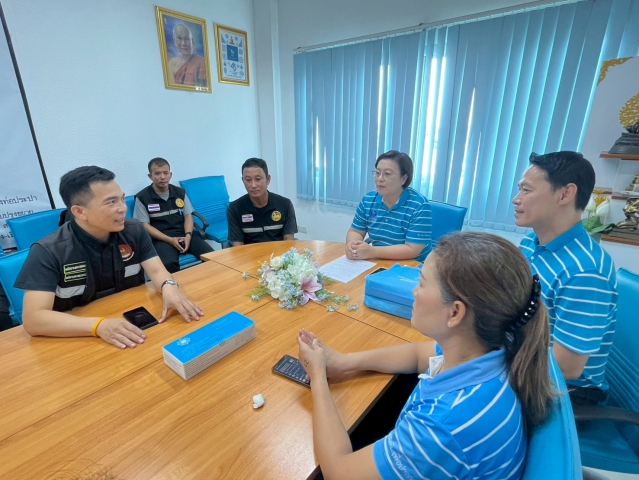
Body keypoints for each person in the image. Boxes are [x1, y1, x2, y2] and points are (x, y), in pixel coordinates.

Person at [297, 232, 552, 479]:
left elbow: (338, 472)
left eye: (421, 283)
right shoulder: (492, 346)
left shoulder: (443, 426)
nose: (414, 292)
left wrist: (317, 376)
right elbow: (418, 354)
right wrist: (343, 362)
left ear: (455, 313)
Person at [14, 166, 203, 349]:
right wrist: (98, 326)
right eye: (111, 202)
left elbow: (157, 271)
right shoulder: (48, 251)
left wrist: (169, 287)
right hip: (78, 339)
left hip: (134, 328)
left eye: (122, 199)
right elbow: (33, 320)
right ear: (79, 212)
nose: (123, 208)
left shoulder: (134, 231)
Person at [513, 151, 617, 404]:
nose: (516, 199)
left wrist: (489, 363)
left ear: (565, 194)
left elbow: (567, 367)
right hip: (525, 358)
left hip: (564, 391)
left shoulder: (585, 272)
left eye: (526, 190)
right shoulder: (531, 242)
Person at [345, 150, 431, 262]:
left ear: (403, 179)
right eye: (377, 173)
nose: (380, 179)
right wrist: (353, 245)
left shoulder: (419, 205)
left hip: (412, 266)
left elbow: (412, 249)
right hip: (378, 261)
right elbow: (356, 231)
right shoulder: (368, 200)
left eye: (387, 174)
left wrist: (371, 251)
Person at [134, 157, 213, 273]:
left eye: (165, 173)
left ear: (170, 175)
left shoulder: (180, 192)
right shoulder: (142, 197)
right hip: (161, 239)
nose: (162, 177)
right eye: (157, 173)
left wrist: (188, 236)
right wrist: (170, 240)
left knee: (212, 256)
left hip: (183, 235)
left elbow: (188, 216)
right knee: (168, 264)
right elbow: (144, 225)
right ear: (150, 176)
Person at [227, 157, 298, 246]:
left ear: (268, 179)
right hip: (250, 253)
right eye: (248, 180)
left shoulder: (285, 205)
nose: (253, 185)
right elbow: (238, 246)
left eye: (258, 179)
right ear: (243, 181)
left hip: (278, 253)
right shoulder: (234, 209)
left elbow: (289, 243)